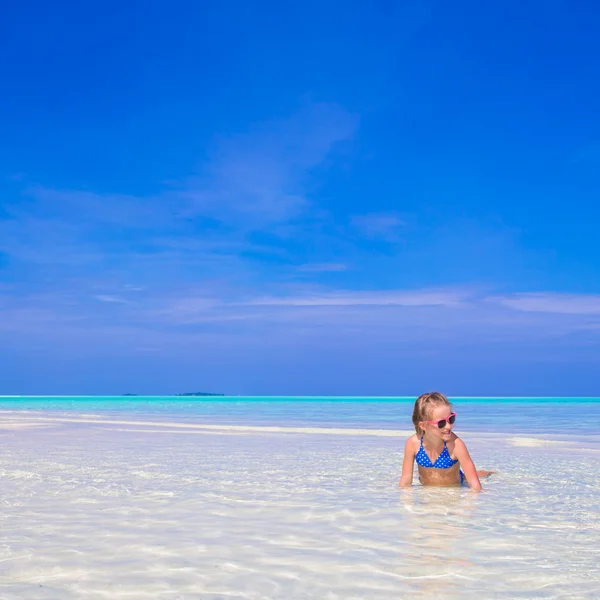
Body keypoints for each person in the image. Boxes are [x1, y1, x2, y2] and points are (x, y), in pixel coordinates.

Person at [399, 392, 493, 492]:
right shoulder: (413, 443)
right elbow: (405, 481)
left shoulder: (455, 445)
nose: (448, 426)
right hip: (428, 490)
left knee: (473, 475)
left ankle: (487, 472)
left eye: (451, 419)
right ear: (423, 426)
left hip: (453, 488)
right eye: (441, 423)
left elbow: (475, 485)